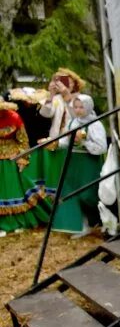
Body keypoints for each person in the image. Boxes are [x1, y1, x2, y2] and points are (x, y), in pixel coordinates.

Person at [49, 94, 107, 237]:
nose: (78, 110)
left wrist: (84, 141)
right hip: (73, 164)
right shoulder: (72, 123)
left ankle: (104, 221)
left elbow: (101, 148)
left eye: (81, 107)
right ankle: (83, 225)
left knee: (89, 194)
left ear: (88, 106)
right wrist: (55, 143)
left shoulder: (95, 124)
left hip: (88, 164)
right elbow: (66, 142)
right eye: (75, 107)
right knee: (73, 194)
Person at [0, 99, 50, 236]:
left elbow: (23, 141)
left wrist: (23, 158)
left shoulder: (14, 117)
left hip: (11, 159)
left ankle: (18, 222)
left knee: (13, 191)